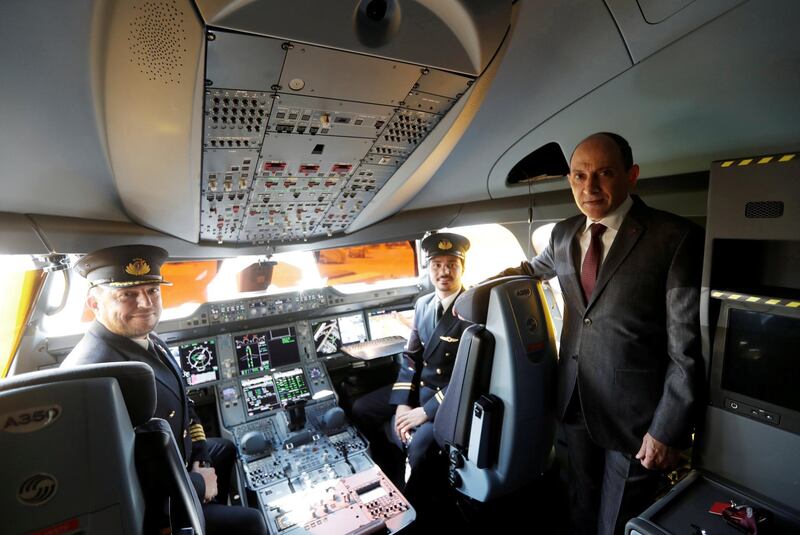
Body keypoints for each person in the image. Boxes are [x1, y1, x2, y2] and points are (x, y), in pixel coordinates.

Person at [477, 133, 703, 535]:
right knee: (580, 503)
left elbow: (685, 349)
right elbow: (530, 271)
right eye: (580, 176)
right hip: (574, 400)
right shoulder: (564, 234)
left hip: (636, 418)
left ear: (631, 176)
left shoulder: (673, 237)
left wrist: (666, 428)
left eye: (604, 174)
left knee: (616, 520)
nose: (590, 188)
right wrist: (473, 296)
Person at [61, 245, 267, 535]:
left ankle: (210, 506)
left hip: (178, 463)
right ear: (94, 303)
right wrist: (198, 483)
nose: (145, 303)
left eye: (152, 291)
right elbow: (120, 473)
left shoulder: (150, 339)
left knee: (225, 448)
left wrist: (201, 458)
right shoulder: (95, 374)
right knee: (252, 522)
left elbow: (186, 403)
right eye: (127, 294)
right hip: (160, 507)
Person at [351, 232, 472, 488]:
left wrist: (424, 413)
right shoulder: (423, 304)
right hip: (419, 390)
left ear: (462, 268)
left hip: (447, 400)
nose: (444, 272)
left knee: (419, 447)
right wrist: (403, 403)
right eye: (437, 265)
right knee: (361, 409)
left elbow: (468, 377)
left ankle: (420, 502)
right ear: (429, 268)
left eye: (452, 265)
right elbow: (411, 358)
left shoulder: (472, 311)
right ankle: (390, 469)